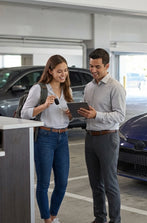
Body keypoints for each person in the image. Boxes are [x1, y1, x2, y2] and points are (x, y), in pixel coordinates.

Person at [21, 54, 73, 223]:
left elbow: (69, 118)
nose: (63, 74)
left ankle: (53, 215)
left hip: (63, 137)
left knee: (62, 183)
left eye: (65, 71)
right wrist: (43, 106)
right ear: (50, 71)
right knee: (43, 183)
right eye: (59, 71)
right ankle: (47, 219)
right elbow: (25, 113)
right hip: (45, 137)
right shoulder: (39, 89)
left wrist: (71, 114)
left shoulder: (67, 89)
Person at [78, 48, 126, 223]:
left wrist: (96, 115)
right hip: (90, 137)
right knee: (95, 184)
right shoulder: (88, 87)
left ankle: (115, 220)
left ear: (107, 66)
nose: (93, 70)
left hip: (108, 138)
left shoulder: (115, 88)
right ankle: (100, 218)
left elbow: (120, 116)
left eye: (97, 66)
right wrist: (78, 113)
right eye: (91, 66)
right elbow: (88, 112)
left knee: (110, 184)